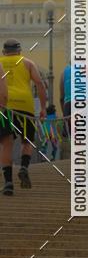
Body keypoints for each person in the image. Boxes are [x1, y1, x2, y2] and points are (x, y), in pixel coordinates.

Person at [0, 38, 47, 195]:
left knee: (6, 144)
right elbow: (40, 84)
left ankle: (8, 183)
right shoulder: (27, 63)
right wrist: (43, 108)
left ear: (4, 51)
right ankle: (24, 167)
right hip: (25, 106)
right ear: (19, 51)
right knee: (27, 141)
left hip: (5, 106)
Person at [59, 62, 72, 137]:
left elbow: (61, 96)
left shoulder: (64, 72)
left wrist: (64, 113)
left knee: (69, 133)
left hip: (68, 104)